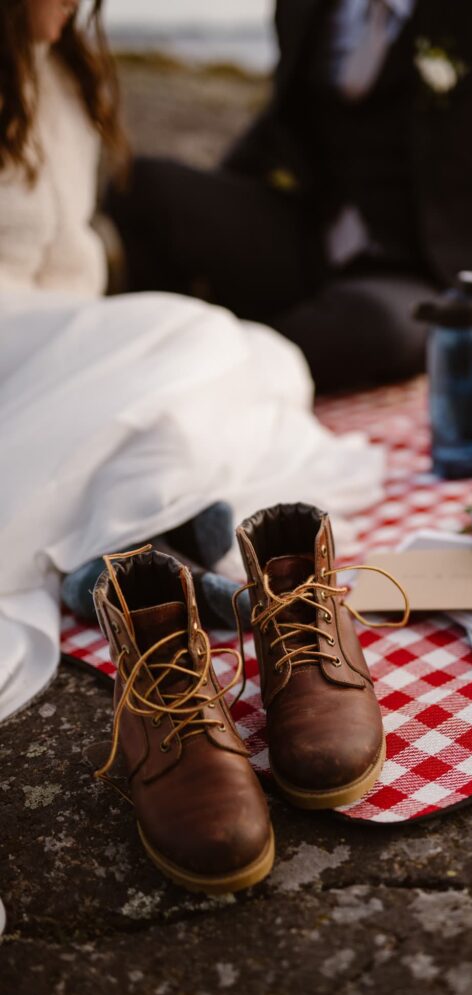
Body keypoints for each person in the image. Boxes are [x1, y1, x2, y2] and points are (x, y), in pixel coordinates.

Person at [0, 0, 383, 724]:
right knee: (198, 337)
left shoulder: (68, 70)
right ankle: (146, 530)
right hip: (15, 331)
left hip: (69, 324)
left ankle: (123, 556)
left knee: (259, 357)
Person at [109, 0, 472, 393]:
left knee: (375, 327)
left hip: (435, 280)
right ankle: (180, 359)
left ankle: (202, 366)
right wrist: (216, 217)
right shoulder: (304, 4)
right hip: (319, 239)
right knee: (146, 185)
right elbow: (280, 121)